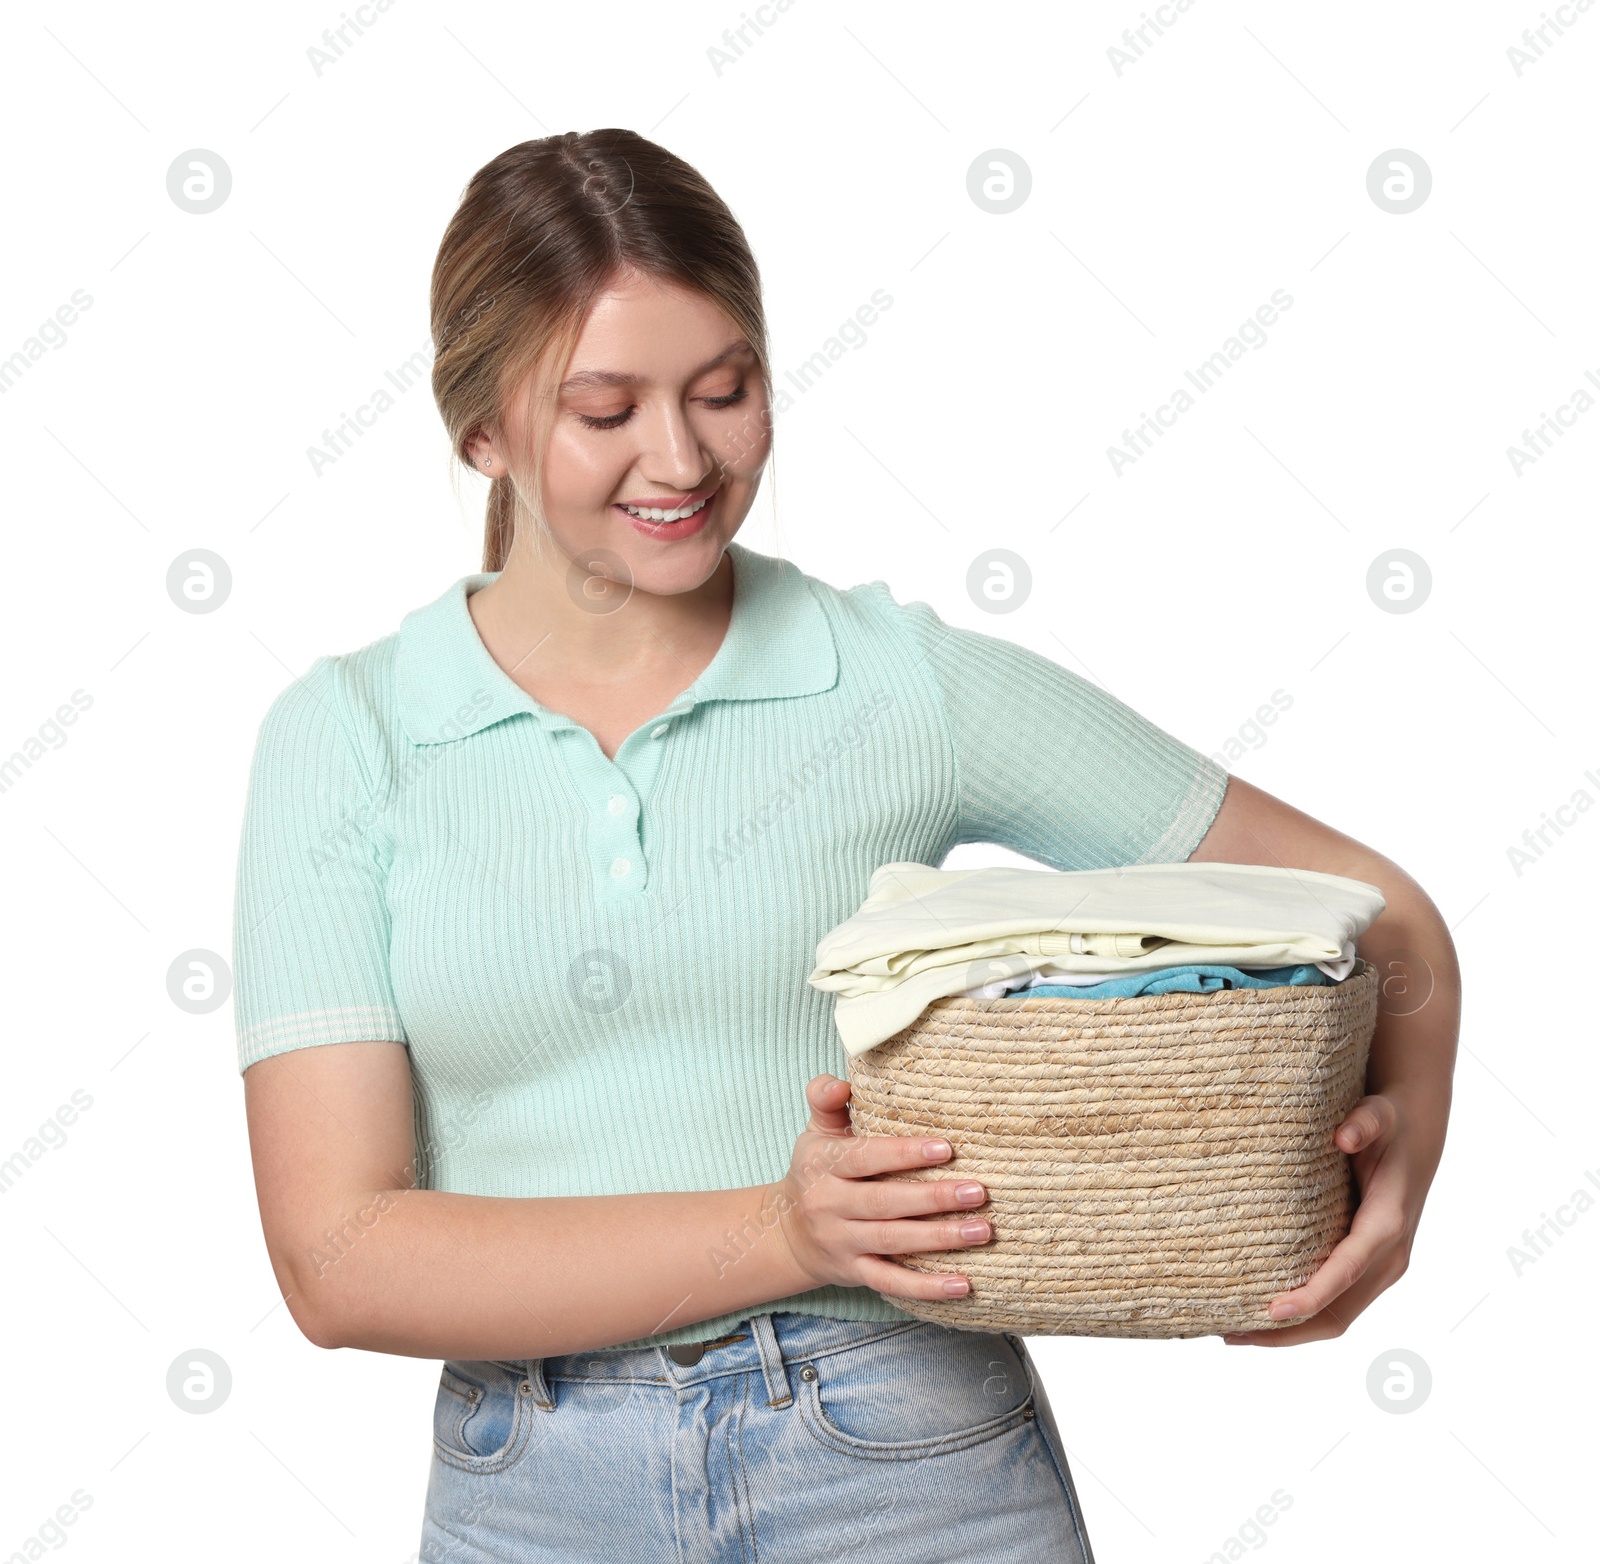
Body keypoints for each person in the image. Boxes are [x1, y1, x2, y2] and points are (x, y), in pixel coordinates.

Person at [234, 129, 1458, 1564]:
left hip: (905, 1454)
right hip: (535, 1491)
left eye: (724, 390)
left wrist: (1402, 1166)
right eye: (605, 409)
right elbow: (338, 1261)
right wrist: (783, 1232)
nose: (681, 459)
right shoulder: (351, 735)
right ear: (481, 431)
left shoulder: (899, 685)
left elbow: (1376, 919)